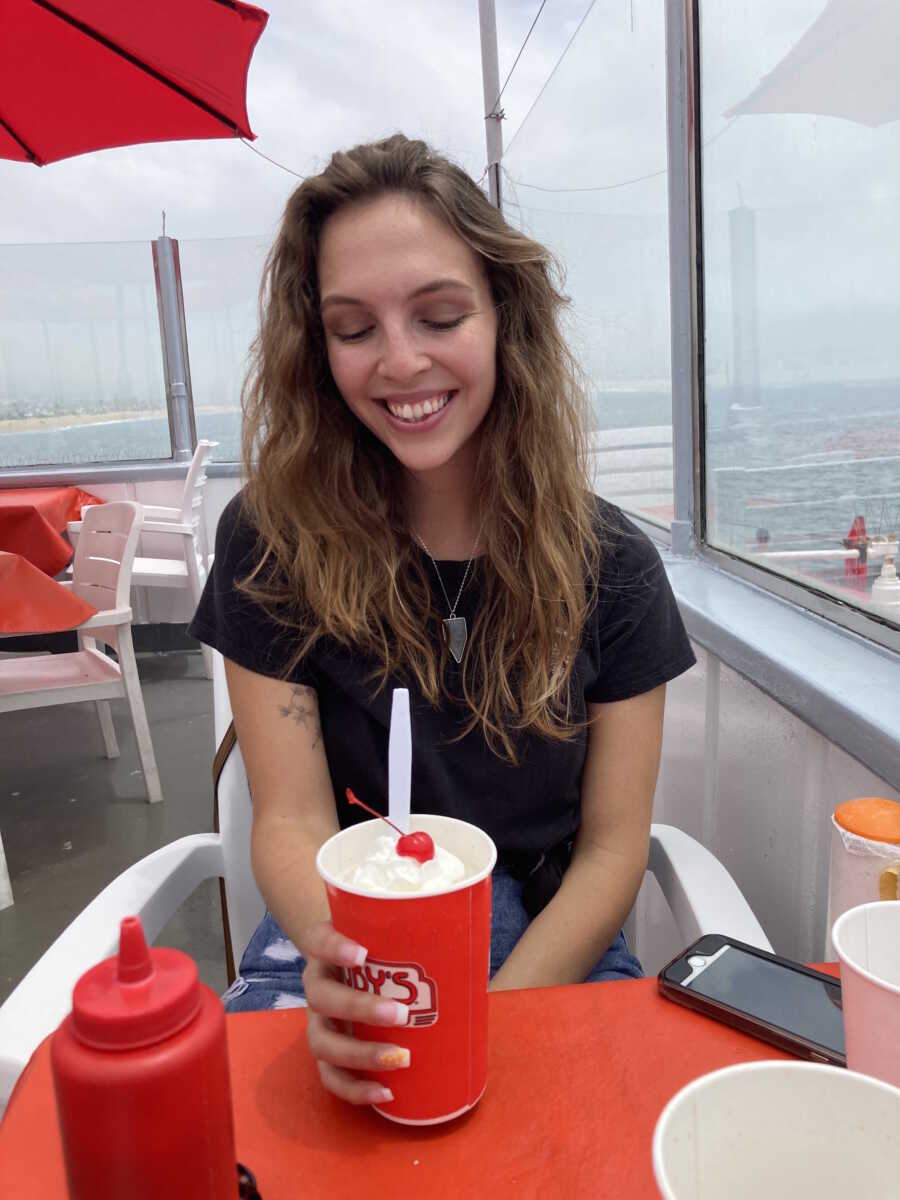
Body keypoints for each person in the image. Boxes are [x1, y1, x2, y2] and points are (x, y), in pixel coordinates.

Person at [188, 133, 696, 1107]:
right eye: (353, 328)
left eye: (439, 314)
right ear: (316, 345)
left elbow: (610, 850)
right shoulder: (272, 540)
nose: (401, 361)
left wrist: (492, 1014)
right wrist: (347, 969)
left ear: (505, 317)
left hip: (551, 936)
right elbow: (291, 819)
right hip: (348, 923)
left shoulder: (614, 570)